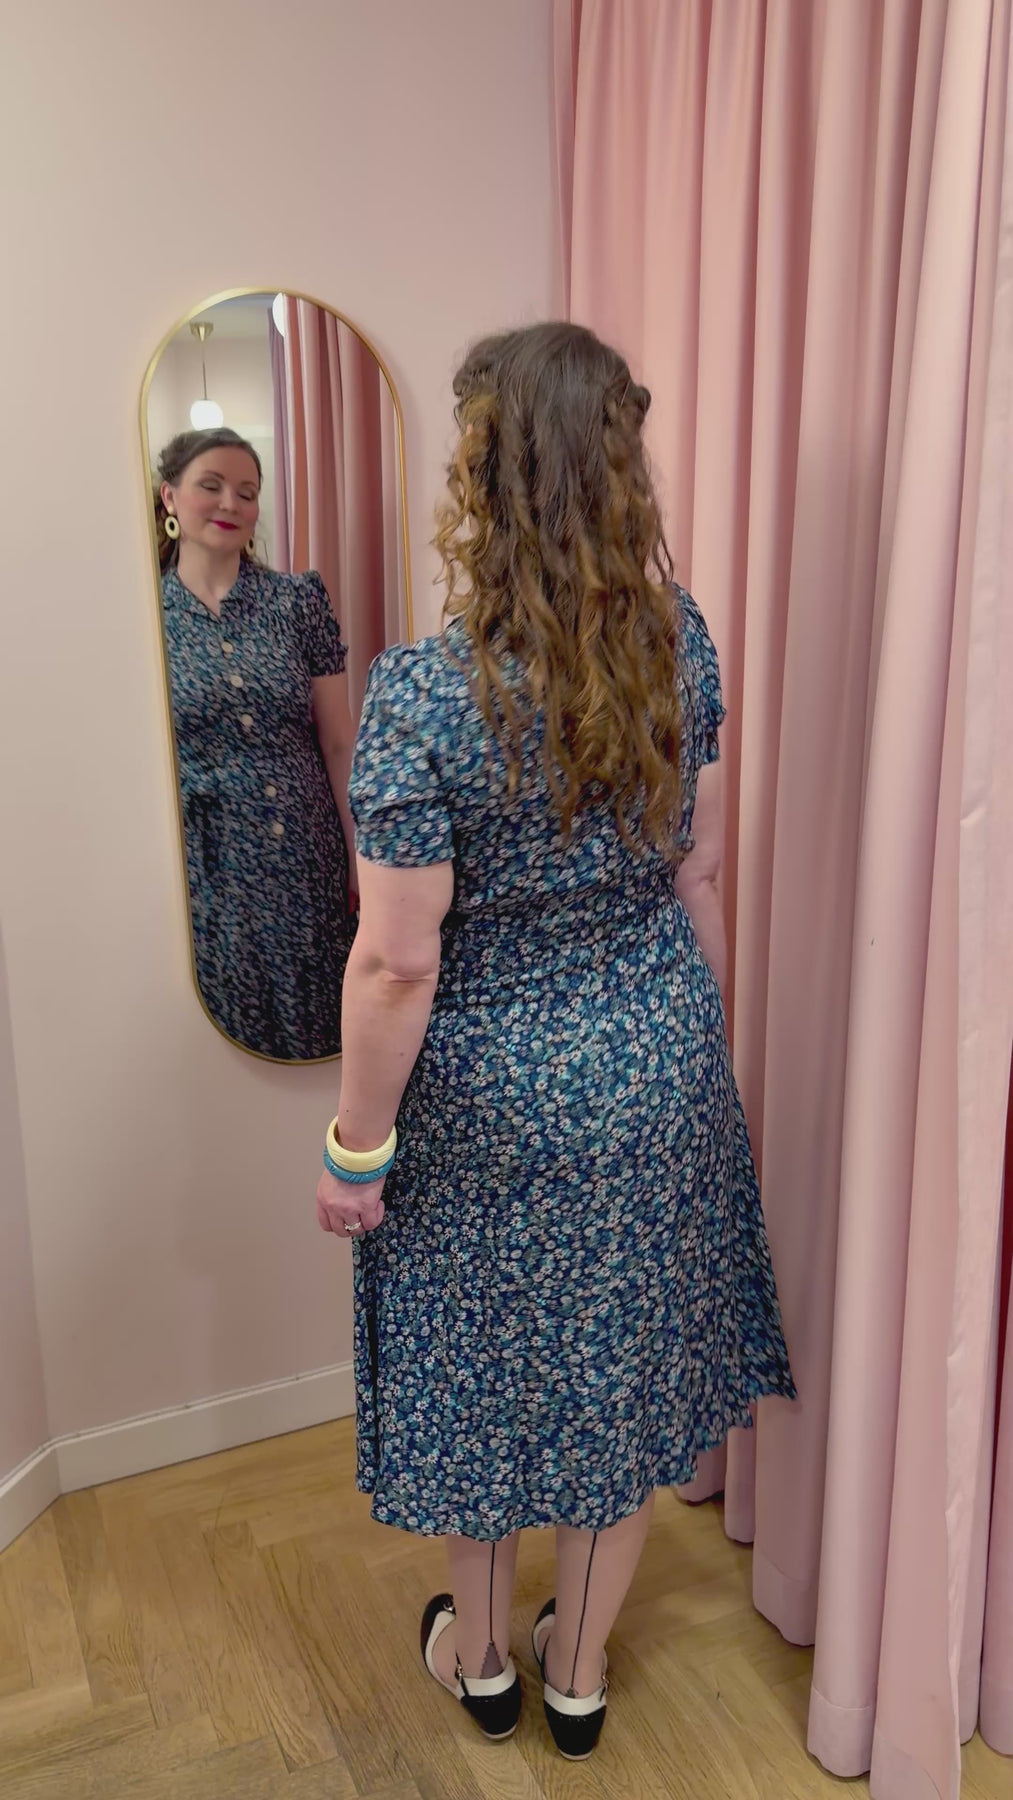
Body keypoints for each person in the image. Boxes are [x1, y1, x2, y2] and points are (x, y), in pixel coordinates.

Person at [315, 323, 794, 1758]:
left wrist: (354, 1146)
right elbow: (699, 877)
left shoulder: (423, 691)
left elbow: (396, 959)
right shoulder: (676, 644)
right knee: (612, 1379)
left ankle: (479, 1665)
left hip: (491, 1094)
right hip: (654, 1058)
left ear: (483, 475)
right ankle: (575, 1677)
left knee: (479, 1374)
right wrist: (691, 1062)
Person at [156, 427, 356, 1061]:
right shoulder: (143, 615)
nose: (231, 504)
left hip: (306, 852)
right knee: (228, 1032)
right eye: (211, 486)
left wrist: (360, 855)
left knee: (322, 1023)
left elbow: (339, 742)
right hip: (206, 863)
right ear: (170, 497)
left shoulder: (298, 601)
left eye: (247, 492)